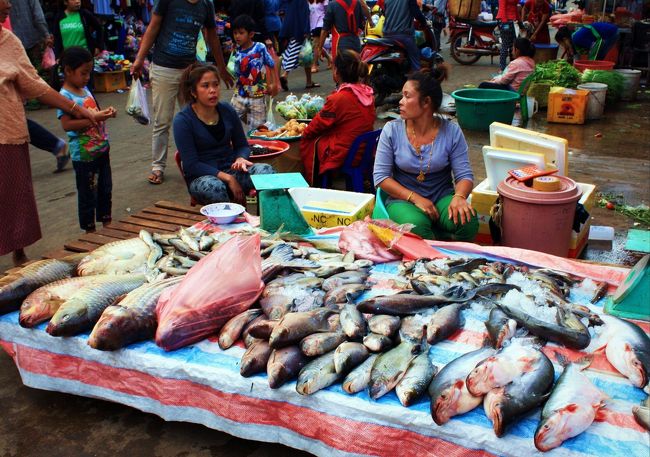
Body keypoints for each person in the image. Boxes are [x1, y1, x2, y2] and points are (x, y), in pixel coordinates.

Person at [0, 0, 99, 266]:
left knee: (13, 191)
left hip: (7, 127)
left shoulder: (8, 40)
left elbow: (34, 84)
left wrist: (74, 108)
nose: (9, 5)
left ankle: (18, 252)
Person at [131, 0, 233, 186]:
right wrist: (139, 59)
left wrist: (221, 67)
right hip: (164, 67)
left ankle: (197, 163)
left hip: (189, 69)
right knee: (162, 120)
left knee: (196, 119)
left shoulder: (206, 4)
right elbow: (153, 27)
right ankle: (158, 167)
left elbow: (211, 36)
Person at [373, 66, 478, 241]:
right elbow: (381, 178)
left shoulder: (451, 131)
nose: (400, 101)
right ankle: (437, 252)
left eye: (407, 96)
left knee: (467, 221)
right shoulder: (391, 130)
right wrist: (416, 198)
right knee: (416, 227)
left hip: (442, 196)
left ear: (426, 102)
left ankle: (454, 256)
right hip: (403, 199)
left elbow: (465, 175)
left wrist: (459, 197)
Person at [173, 64, 275, 206]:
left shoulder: (227, 110)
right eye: (205, 86)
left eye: (216, 85)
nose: (213, 90)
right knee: (214, 187)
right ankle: (231, 224)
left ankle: (266, 220)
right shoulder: (183, 121)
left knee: (266, 171)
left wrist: (240, 158)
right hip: (203, 178)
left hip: (231, 169)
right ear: (193, 92)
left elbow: (242, 145)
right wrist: (227, 178)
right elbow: (191, 165)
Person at [57, 47, 116, 233]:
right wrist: (97, 118)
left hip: (101, 148)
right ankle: (89, 230)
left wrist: (105, 113)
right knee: (87, 193)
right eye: (83, 73)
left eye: (89, 73)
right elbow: (66, 125)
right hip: (83, 155)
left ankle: (107, 222)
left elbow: (93, 113)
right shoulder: (64, 96)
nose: (87, 77)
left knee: (105, 188)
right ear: (68, 71)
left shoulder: (85, 90)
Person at [300, 50, 376, 185]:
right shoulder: (366, 92)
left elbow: (316, 126)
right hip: (365, 150)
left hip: (348, 153)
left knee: (311, 141)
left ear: (336, 72)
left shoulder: (339, 98)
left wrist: (304, 132)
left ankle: (314, 185)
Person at [230, 14, 278, 131]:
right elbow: (235, 72)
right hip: (239, 94)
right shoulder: (236, 50)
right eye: (235, 33)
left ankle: (256, 145)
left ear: (251, 34)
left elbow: (271, 64)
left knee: (257, 129)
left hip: (257, 96)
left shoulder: (259, 47)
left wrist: (273, 83)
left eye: (241, 33)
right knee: (230, 119)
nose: (237, 36)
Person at [9, 0, 53, 99]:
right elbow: (39, 17)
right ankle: (42, 98)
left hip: (14, 41)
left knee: (22, 73)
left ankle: (30, 100)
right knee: (38, 71)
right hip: (34, 39)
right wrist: (46, 35)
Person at [380, 0, 432, 72]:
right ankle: (417, 78)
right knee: (415, 57)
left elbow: (384, 13)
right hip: (403, 35)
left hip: (386, 35)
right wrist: (424, 22)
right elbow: (416, 13)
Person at [278, 0, 318, 91]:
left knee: (301, 53)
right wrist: (306, 31)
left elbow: (285, 13)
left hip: (291, 30)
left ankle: (308, 81)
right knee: (303, 54)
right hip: (300, 31)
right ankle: (285, 75)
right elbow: (304, 15)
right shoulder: (302, 1)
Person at [318, 0, 367, 65]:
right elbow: (362, 23)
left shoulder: (332, 5)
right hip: (356, 42)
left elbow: (325, 30)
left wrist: (320, 48)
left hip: (340, 44)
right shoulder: (357, 3)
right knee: (355, 69)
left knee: (340, 71)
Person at [555, 23, 619, 62]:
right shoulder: (573, 38)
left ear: (565, 39)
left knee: (597, 57)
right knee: (597, 58)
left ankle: (596, 73)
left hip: (610, 32)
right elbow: (576, 56)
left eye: (561, 44)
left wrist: (589, 63)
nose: (563, 46)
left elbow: (594, 48)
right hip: (609, 32)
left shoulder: (576, 38)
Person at [309, 0, 332, 73]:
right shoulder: (309, 1)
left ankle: (314, 65)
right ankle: (329, 58)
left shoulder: (324, 1)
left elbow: (328, 12)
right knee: (318, 45)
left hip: (321, 23)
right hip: (312, 25)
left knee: (315, 45)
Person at [496, 0, 520, 70]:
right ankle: (502, 68)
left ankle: (512, 67)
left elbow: (515, 9)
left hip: (512, 21)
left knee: (514, 45)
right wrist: (505, 23)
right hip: (505, 21)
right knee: (505, 44)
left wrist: (520, 22)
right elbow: (502, 8)